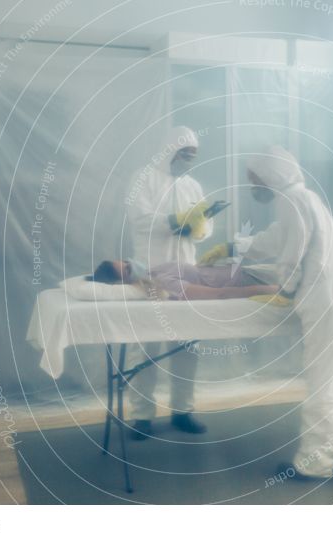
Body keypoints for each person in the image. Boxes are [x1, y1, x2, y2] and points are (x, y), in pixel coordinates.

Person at [199, 146, 333, 483]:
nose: (253, 187)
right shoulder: (304, 198)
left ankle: (315, 464)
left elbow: (292, 252)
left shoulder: (292, 201)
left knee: (325, 381)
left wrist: (285, 288)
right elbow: (275, 239)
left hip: (327, 302)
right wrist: (234, 248)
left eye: (255, 180)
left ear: (271, 175)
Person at [124, 126, 213, 440]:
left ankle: (183, 411)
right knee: (145, 344)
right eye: (184, 154)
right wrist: (173, 221)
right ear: (168, 150)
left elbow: (207, 225)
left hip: (185, 273)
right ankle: (142, 416)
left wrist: (197, 229)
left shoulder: (193, 185)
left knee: (188, 344)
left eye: (193, 156)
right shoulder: (144, 179)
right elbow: (139, 218)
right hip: (150, 273)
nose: (188, 160)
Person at [90, 259, 279, 300]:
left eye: (126, 261)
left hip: (246, 267)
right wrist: (267, 289)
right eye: (128, 269)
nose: (132, 263)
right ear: (124, 283)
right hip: (251, 278)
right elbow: (220, 294)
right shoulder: (162, 283)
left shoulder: (154, 270)